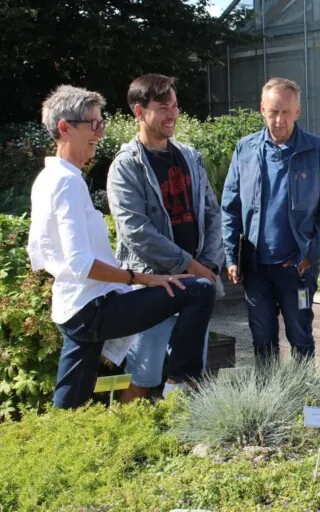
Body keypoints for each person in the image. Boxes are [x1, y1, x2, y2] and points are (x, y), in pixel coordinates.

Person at [27, 85, 215, 409]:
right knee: (198, 290)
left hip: (72, 307)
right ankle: (181, 383)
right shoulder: (67, 182)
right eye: (94, 124)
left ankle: (60, 451)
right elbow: (82, 263)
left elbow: (41, 253)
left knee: (70, 405)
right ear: (64, 127)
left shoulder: (50, 178)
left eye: (102, 124)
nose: (100, 134)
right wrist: (143, 279)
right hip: (92, 308)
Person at [107, 74, 224, 402]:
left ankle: (184, 444)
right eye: (162, 108)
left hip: (197, 283)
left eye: (174, 105)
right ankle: (133, 443)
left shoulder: (189, 156)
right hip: (152, 284)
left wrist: (210, 263)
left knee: (188, 378)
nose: (172, 114)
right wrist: (189, 266)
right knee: (142, 376)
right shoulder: (126, 167)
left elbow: (213, 214)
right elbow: (136, 231)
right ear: (139, 112)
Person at [221, 77, 320, 361]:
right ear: (262, 109)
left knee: (300, 335)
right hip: (256, 267)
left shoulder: (315, 151)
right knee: (261, 337)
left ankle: (304, 398)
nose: (279, 120)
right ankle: (269, 400)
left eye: (286, 112)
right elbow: (230, 207)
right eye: (273, 111)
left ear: (297, 112)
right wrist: (232, 257)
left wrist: (311, 253)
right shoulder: (246, 149)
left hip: (296, 267)